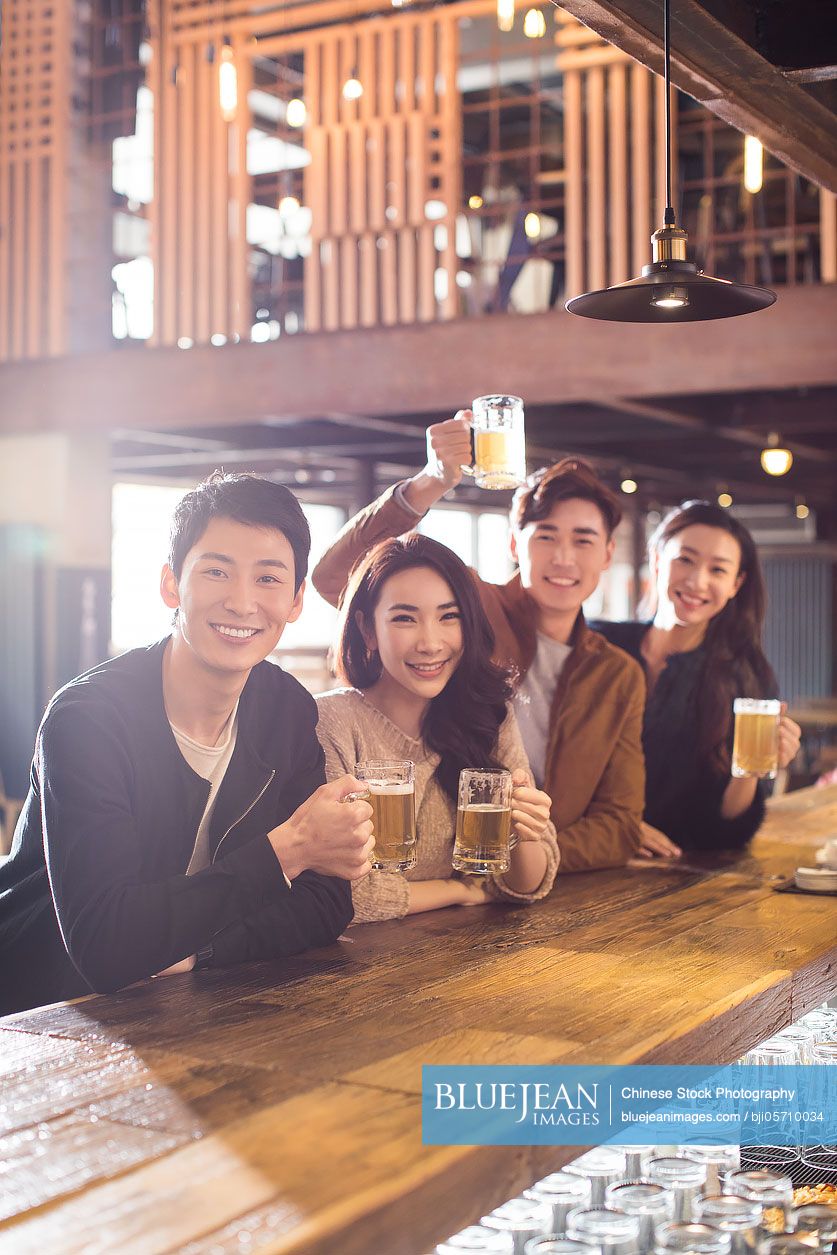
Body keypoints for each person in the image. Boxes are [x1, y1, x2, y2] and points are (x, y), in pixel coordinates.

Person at [0, 473, 374, 1015]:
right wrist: (288, 849)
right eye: (217, 571)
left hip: (178, 1007)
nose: (243, 602)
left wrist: (199, 949)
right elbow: (107, 947)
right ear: (171, 584)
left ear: (295, 603)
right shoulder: (88, 720)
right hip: (39, 1014)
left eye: (269, 579)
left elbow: (326, 904)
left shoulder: (284, 708)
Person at [313, 415, 646, 872]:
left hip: (523, 885)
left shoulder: (617, 673)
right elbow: (338, 577)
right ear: (514, 543)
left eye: (583, 540)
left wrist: (525, 857)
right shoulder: (469, 607)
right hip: (451, 876)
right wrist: (430, 482)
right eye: (545, 536)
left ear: (609, 553)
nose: (564, 558)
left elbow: (621, 824)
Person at [316, 534, 559, 921]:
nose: (430, 643)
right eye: (404, 619)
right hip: (347, 969)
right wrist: (457, 889)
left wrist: (526, 833)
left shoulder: (488, 714)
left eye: (449, 617)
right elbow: (341, 893)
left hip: (470, 960)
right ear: (367, 630)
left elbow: (526, 886)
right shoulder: (332, 721)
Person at [591, 500, 801, 855]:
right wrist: (618, 825)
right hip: (585, 853)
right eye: (684, 559)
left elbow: (727, 831)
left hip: (674, 874)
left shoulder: (746, 677)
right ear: (658, 559)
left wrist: (750, 768)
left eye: (718, 570)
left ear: (737, 584)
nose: (696, 581)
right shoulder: (599, 644)